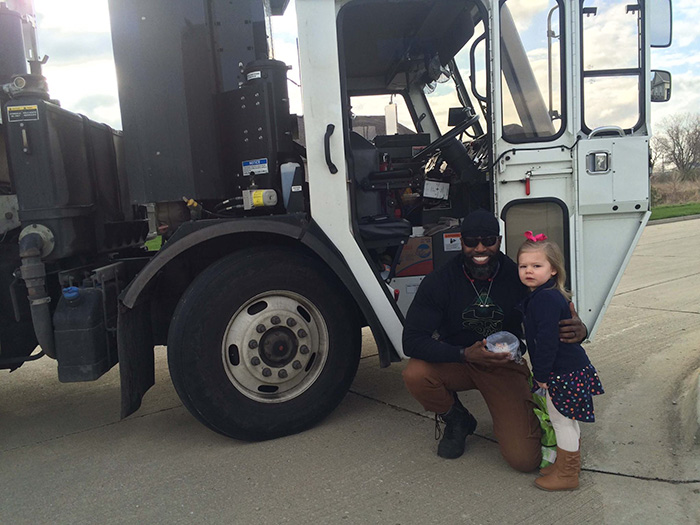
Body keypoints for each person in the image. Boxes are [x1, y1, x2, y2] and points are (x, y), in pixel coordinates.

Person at [401, 209, 587, 473]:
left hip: (504, 364)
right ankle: (457, 420)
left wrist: (581, 329)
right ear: (460, 241)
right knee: (416, 373)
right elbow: (411, 341)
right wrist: (464, 353)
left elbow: (558, 308)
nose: (480, 248)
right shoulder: (440, 281)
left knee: (525, 460)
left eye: (488, 240)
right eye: (471, 241)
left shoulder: (519, 276)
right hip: (460, 360)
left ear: (499, 241)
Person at [517, 231, 604, 491]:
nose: (528, 271)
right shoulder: (547, 295)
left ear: (553, 270)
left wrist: (541, 375)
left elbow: (547, 342)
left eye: (537, 266)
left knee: (562, 419)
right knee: (568, 419)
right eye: (523, 266)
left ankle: (567, 475)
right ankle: (568, 466)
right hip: (572, 369)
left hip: (561, 372)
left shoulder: (543, 299)